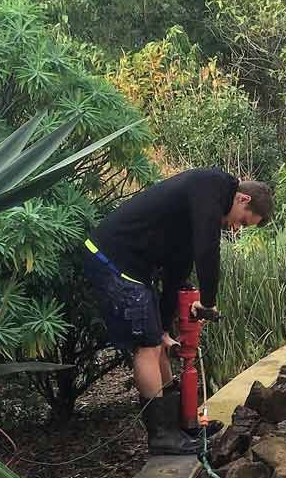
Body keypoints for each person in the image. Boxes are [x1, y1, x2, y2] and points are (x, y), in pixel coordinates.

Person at [81, 168, 273, 454]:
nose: (236, 229)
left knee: (156, 341)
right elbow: (207, 250)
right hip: (110, 257)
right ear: (242, 199)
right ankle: (161, 437)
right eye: (243, 221)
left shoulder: (194, 213)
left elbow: (176, 273)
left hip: (132, 267)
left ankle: (180, 426)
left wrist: (164, 329)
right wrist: (208, 302)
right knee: (147, 347)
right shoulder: (211, 186)